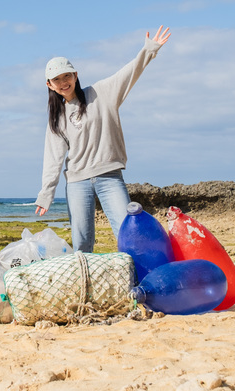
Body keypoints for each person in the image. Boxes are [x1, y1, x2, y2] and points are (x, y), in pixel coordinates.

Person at [34, 25, 172, 253]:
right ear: (49, 85)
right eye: (56, 79)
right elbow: (53, 158)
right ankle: (85, 284)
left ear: (75, 75)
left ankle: (136, 282)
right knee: (82, 242)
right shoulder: (56, 119)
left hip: (109, 176)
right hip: (77, 182)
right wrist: (46, 193)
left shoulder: (101, 93)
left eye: (67, 75)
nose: (63, 82)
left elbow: (127, 74)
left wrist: (149, 50)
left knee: (127, 233)